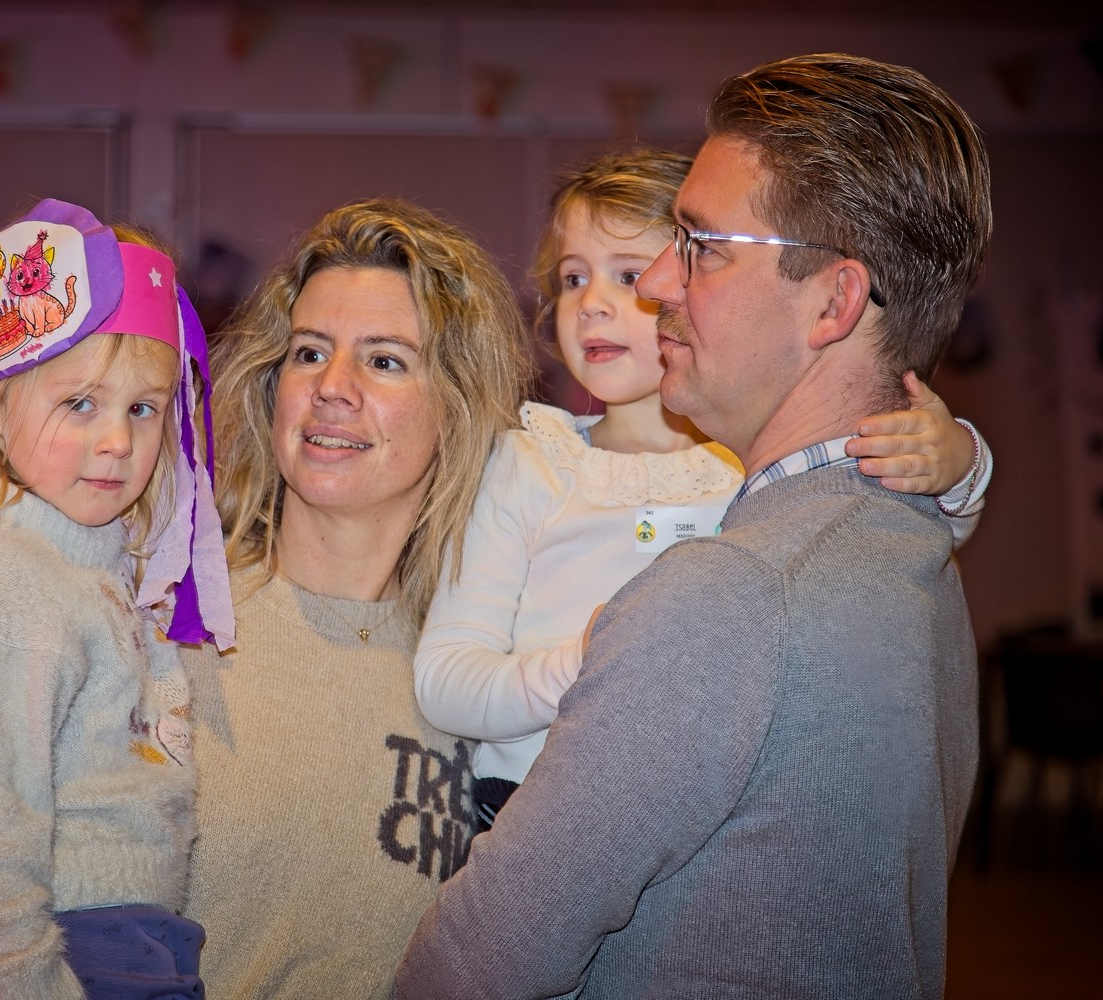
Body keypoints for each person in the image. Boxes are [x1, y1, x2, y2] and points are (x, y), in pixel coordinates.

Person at [398, 52, 991, 998]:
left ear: (834, 302)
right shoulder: (916, 553)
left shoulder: (734, 591)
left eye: (703, 246)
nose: (657, 283)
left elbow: (485, 954)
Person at [181, 197, 535, 999]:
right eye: (309, 353)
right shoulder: (170, 622)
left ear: (457, 406)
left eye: (385, 362)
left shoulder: (483, 670)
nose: (331, 388)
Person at [0, 198, 233, 1000]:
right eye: (80, 403)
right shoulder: (1, 581)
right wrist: (24, 980)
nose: (118, 441)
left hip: (134, 938)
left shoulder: (95, 564)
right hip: (70, 950)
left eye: (144, 407)